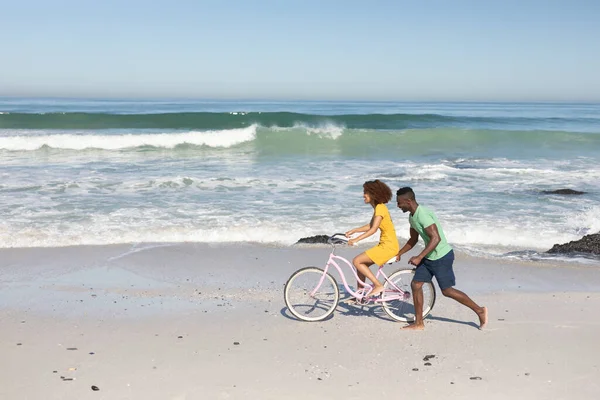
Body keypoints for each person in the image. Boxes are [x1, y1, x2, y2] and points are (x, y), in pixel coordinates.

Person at [395, 187, 487, 330]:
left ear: (408, 201)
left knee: (447, 291)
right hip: (430, 256)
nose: (398, 206)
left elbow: (436, 238)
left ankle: (479, 310)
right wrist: (399, 253)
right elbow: (413, 240)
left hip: (441, 256)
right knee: (416, 284)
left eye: (399, 203)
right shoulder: (412, 217)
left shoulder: (423, 215)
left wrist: (419, 257)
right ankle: (419, 323)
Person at [345, 180, 399, 298]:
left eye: (365, 192)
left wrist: (356, 239)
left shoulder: (380, 208)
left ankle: (378, 285)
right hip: (386, 245)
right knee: (360, 263)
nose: (363, 195)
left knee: (357, 261)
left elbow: (373, 229)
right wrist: (354, 230)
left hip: (388, 247)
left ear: (373, 194)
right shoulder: (379, 208)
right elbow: (370, 226)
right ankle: (360, 293)